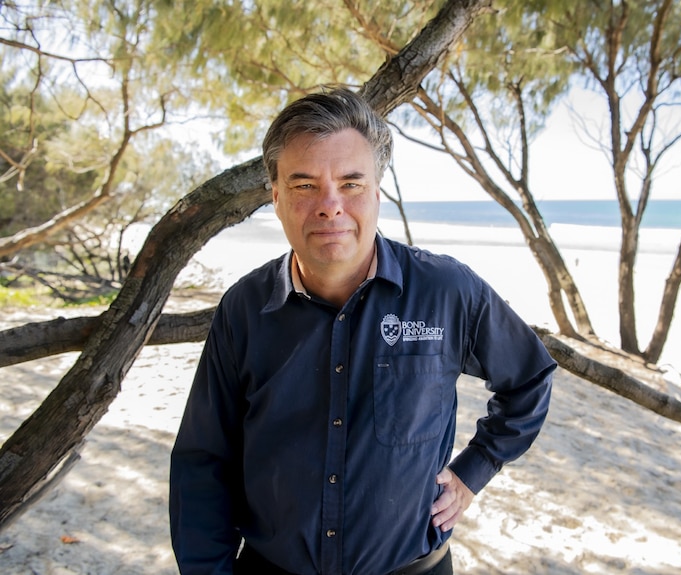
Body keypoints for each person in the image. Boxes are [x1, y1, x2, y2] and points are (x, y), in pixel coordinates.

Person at [169, 87, 556, 575]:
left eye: (351, 182)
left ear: (378, 191)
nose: (330, 205)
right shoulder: (243, 310)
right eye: (304, 185)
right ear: (275, 197)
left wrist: (474, 470)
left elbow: (529, 378)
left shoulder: (447, 291)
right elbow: (203, 464)